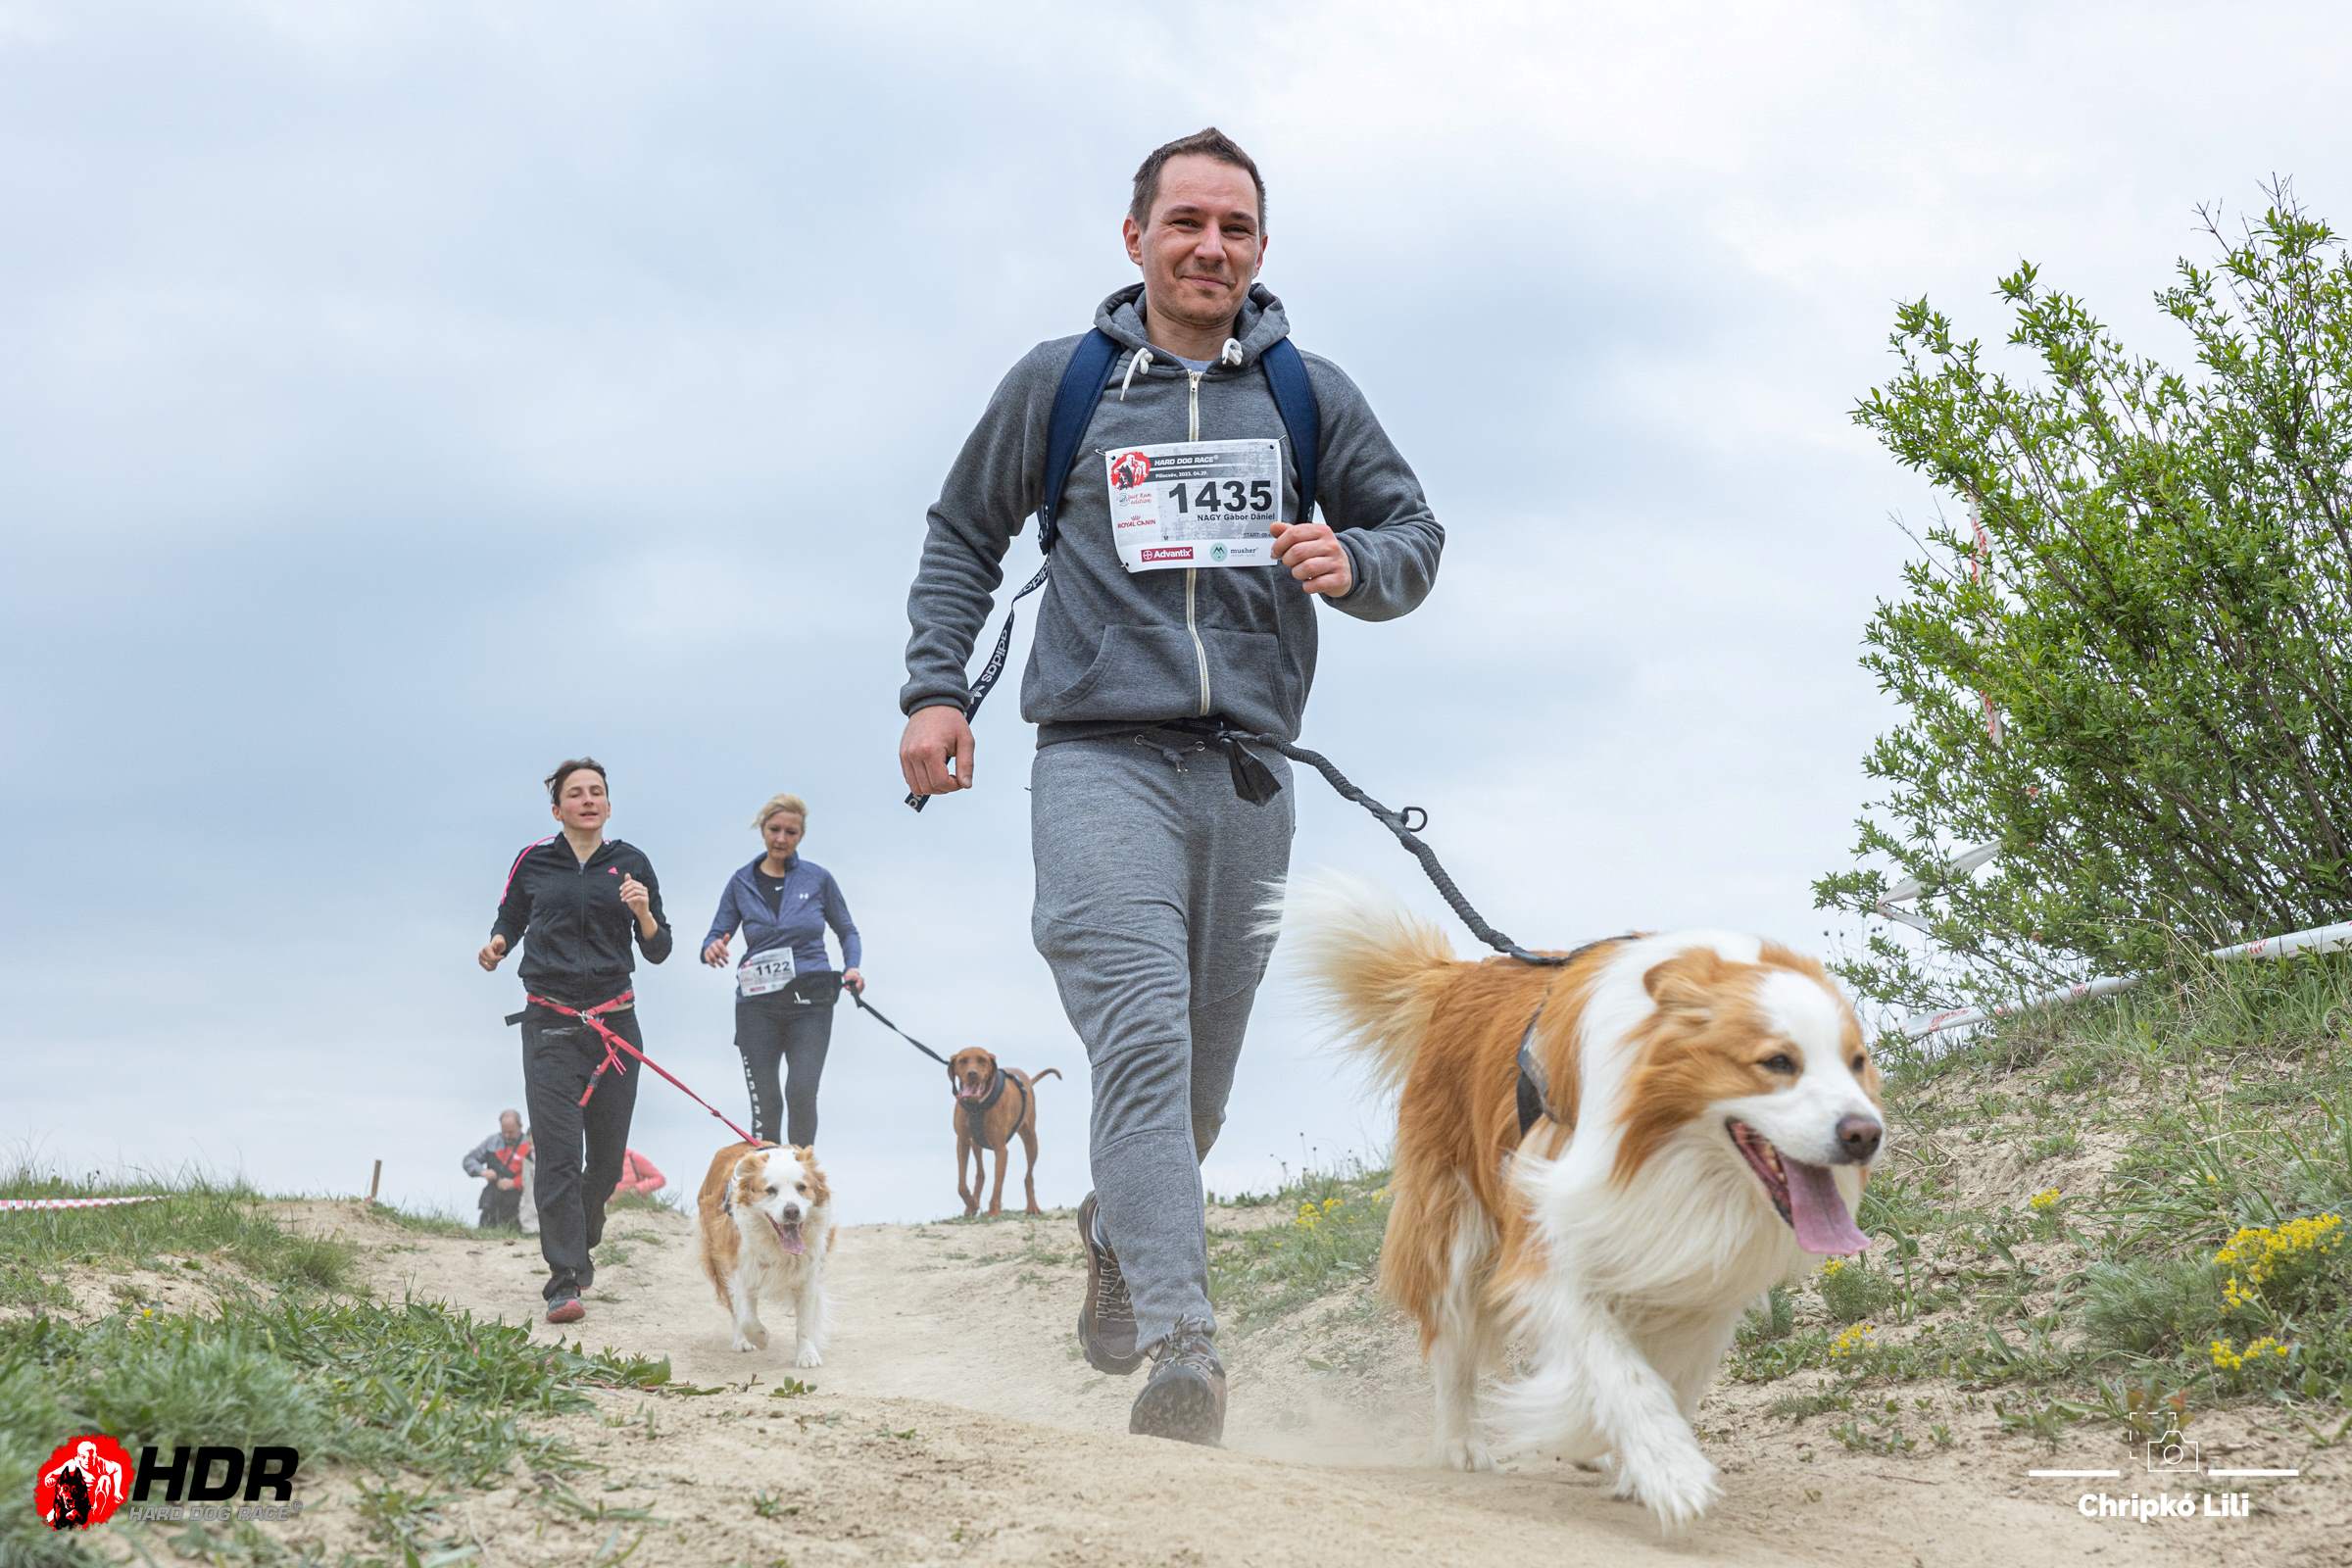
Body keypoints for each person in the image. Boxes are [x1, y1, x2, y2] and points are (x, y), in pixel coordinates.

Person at [897, 128, 1442, 1445]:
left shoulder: (1311, 396)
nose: (1209, 248)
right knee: (1136, 1045)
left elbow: (1414, 535)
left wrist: (1352, 564)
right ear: (1135, 236)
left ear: (1260, 250)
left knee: (1190, 1094)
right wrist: (933, 691)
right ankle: (1185, 1356)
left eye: (1235, 229)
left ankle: (1112, 1226)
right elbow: (963, 534)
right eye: (1185, 222)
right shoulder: (1064, 384)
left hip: (1251, 777)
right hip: (1095, 762)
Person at [478, 757, 673, 1324]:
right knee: (560, 1158)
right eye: (576, 793)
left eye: (597, 792)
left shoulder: (631, 864)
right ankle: (564, 1279)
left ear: (608, 805)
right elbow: (509, 919)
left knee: (607, 1163)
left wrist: (643, 914)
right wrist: (494, 945)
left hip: (615, 1025)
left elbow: (658, 950)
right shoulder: (534, 861)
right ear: (557, 807)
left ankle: (583, 1236)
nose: (587, 800)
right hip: (550, 1023)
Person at [702, 793, 865, 1147]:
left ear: (800, 836)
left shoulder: (818, 880)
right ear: (762, 830)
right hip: (756, 1005)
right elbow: (716, 933)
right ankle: (766, 1185)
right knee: (767, 1100)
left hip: (810, 1001)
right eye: (774, 829)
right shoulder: (740, 882)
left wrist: (852, 968)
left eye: (790, 832)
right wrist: (712, 947)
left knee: (801, 1091)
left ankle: (802, 1176)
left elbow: (847, 931)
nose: (781, 838)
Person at [461, 1108, 528, 1229]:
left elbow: (537, 1175)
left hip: (519, 1203)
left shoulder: (529, 1145)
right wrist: (482, 1171)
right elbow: (469, 1160)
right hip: (492, 1200)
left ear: (520, 1126)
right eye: (504, 1132)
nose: (507, 1136)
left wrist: (515, 1183)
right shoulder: (492, 1142)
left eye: (511, 1132)